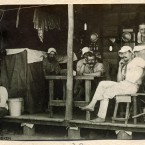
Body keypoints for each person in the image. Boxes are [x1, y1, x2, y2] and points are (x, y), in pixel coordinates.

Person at [80, 45, 145, 123]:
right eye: (122, 54)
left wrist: (140, 78)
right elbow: (119, 80)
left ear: (131, 53)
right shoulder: (125, 64)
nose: (123, 55)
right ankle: (92, 105)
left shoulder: (137, 60)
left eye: (125, 53)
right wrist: (120, 67)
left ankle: (101, 117)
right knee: (102, 83)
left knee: (106, 93)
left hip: (132, 86)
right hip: (124, 84)